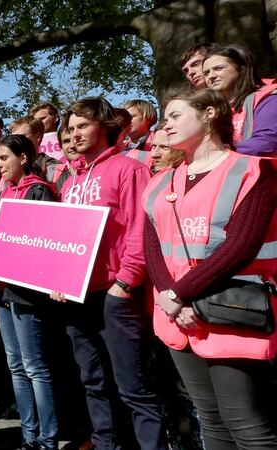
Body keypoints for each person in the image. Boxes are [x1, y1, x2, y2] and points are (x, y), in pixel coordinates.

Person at [143, 87, 277, 449]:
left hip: (230, 310)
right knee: (210, 417)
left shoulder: (251, 171)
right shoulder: (160, 182)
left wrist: (179, 294)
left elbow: (241, 247)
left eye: (175, 116)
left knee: (245, 422)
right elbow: (152, 246)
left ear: (209, 114)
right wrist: (173, 298)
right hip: (176, 316)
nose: (166, 125)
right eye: (164, 117)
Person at [52, 97, 166, 450]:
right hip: (77, 295)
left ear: (104, 126)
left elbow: (142, 228)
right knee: (93, 381)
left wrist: (125, 281)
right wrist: (60, 279)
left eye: (82, 125)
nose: (74, 135)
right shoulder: (70, 182)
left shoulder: (128, 169)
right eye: (70, 129)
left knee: (134, 388)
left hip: (115, 293)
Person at [0, 135, 60, 450]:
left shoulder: (39, 191)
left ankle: (48, 438)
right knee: (15, 364)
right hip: (2, 288)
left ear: (24, 158)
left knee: (34, 366)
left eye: (4, 158)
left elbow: (42, 240)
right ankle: (29, 435)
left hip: (26, 291)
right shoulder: (6, 193)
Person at [202, 45, 277, 155]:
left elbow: (266, 141)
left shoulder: (268, 98)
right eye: (206, 73)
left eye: (218, 68)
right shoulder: (211, 111)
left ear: (242, 69)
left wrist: (217, 155)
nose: (211, 76)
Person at [121, 99, 158, 164]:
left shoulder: (158, 144)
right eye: (123, 117)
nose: (125, 120)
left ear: (147, 118)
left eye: (131, 116)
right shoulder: (120, 147)